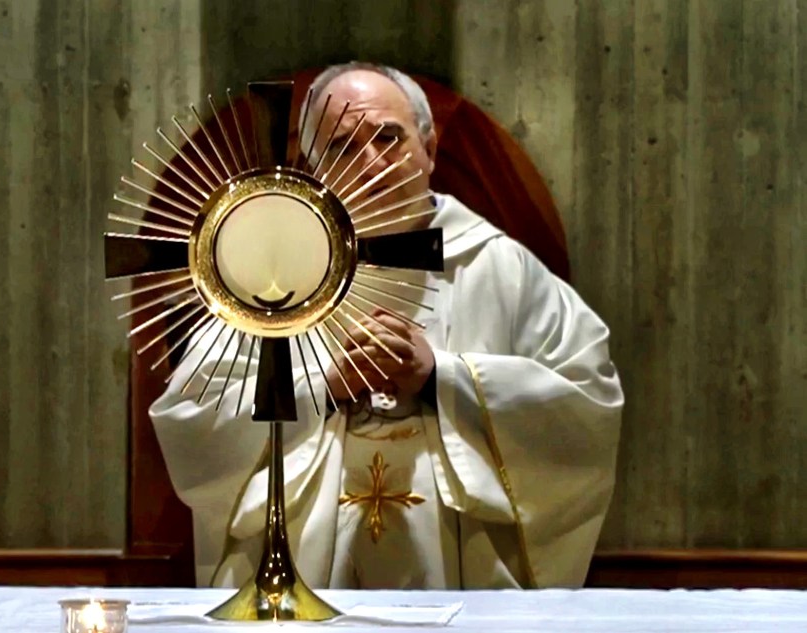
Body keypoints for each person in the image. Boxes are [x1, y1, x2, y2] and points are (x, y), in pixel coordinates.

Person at [148, 62, 624, 590]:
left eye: (388, 138)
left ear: (429, 149)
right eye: (342, 147)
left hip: (463, 578)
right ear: (312, 168)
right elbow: (193, 420)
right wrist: (323, 387)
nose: (371, 163)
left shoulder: (500, 269)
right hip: (304, 582)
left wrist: (442, 377)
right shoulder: (269, 278)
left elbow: (587, 407)